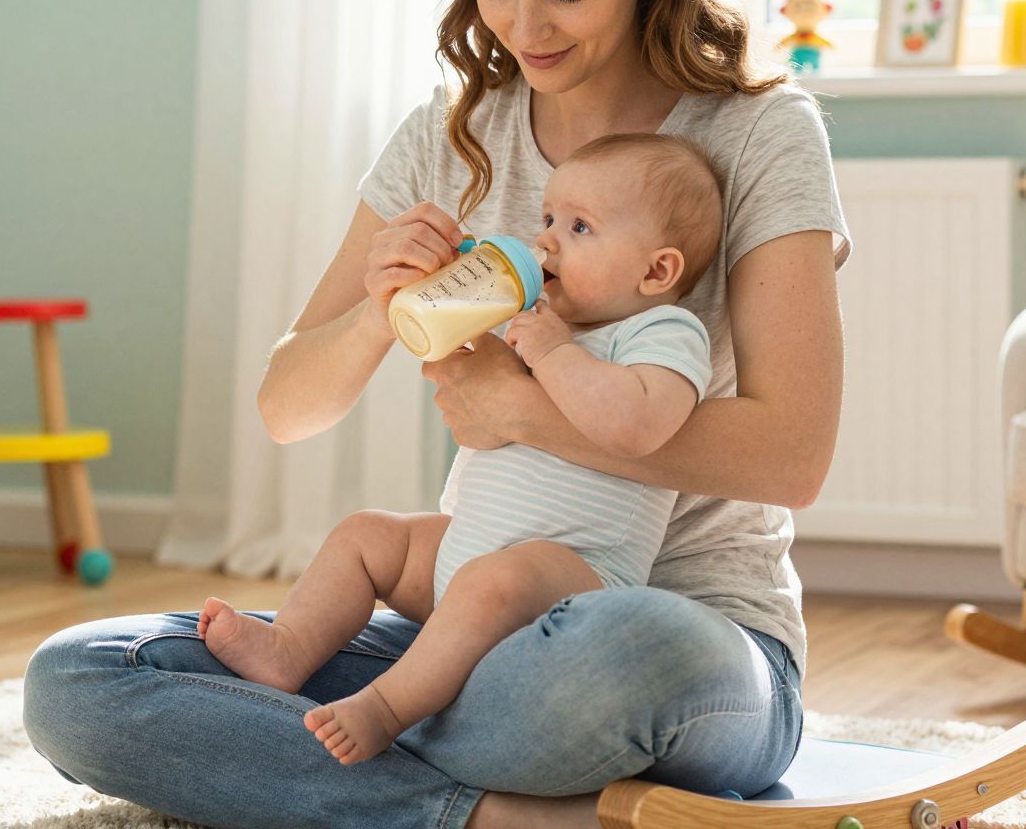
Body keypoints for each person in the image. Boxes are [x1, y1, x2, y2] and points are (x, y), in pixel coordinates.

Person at [24, 0, 851, 829]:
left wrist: (521, 412)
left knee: (623, 662)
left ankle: (359, 775)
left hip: (680, 642)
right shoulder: (450, 133)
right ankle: (499, 812)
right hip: (461, 630)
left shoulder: (758, 135)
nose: (524, 28)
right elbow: (287, 407)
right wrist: (379, 311)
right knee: (79, 680)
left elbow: (792, 457)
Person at [200, 132, 723, 766]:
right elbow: (484, 427)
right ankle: (289, 647)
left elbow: (638, 427)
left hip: (575, 578)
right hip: (463, 560)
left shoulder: (661, 331)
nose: (547, 242)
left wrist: (551, 354)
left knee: (492, 581)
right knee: (368, 535)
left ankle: (386, 708)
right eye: (548, 219)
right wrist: (445, 307)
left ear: (656, 271)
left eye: (580, 227)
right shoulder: (542, 325)